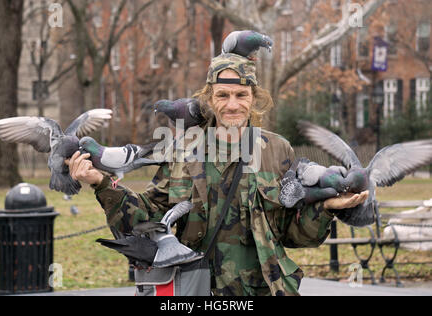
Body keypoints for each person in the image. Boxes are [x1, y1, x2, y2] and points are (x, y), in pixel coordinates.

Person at [66, 53, 369, 296]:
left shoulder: (277, 149)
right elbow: (144, 218)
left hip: (262, 289)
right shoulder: (183, 149)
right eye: (222, 95)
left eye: (241, 94)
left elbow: (292, 233)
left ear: (254, 97)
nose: (232, 105)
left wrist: (325, 208)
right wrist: (101, 183)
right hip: (194, 290)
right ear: (209, 99)